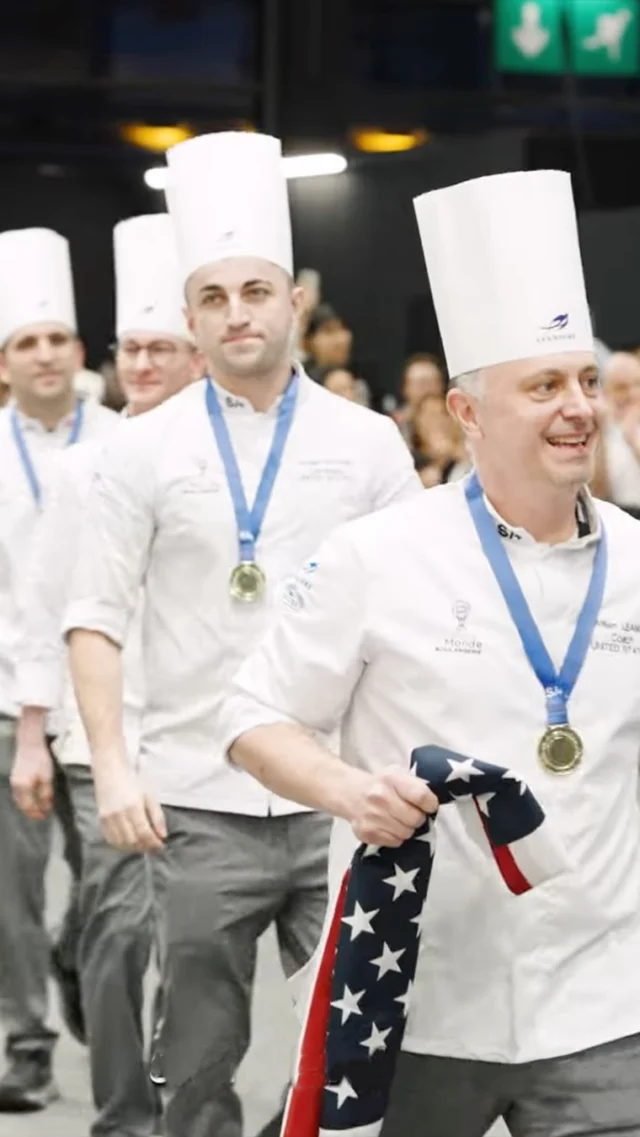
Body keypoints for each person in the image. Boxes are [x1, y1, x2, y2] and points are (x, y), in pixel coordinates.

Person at [219, 170, 640, 1137]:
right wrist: (349, 792)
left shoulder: (635, 557)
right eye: (543, 386)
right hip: (420, 996)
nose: (577, 407)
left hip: (606, 1001)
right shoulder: (379, 555)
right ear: (468, 413)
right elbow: (251, 716)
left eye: (584, 380)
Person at [62, 130, 422, 1137]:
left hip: (338, 793)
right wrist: (113, 767)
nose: (237, 313)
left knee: (353, 1045)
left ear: (293, 301)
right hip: (195, 800)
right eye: (213, 297)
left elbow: (418, 602)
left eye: (255, 291)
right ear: (190, 319)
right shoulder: (141, 451)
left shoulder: (367, 443)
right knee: (197, 1059)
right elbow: (94, 617)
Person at [11, 213, 201, 1137]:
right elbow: (45, 605)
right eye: (133, 349)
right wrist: (31, 732)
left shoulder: (221, 467)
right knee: (118, 926)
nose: (146, 364)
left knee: (186, 935)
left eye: (164, 347)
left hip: (208, 734)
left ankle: (176, 1082)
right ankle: (124, 1114)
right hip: (98, 731)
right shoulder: (83, 470)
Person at [0, 227, 119, 1111]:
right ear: (5, 362)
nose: (43, 354)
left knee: (108, 878)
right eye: (25, 341)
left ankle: (76, 952)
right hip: (5, 701)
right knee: (9, 885)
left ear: (78, 353)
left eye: (56, 339)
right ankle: (27, 1041)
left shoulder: (123, 440)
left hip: (100, 698)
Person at [591, 351, 640, 515]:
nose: (632, 394)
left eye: (638, 384)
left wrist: (632, 440)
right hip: (620, 515)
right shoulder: (600, 430)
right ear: (605, 392)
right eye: (621, 387)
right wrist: (601, 433)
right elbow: (597, 494)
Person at [394, 352, 445, 443]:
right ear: (405, 388)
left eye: (432, 382)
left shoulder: (458, 421)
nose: (427, 390)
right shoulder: (394, 426)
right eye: (420, 384)